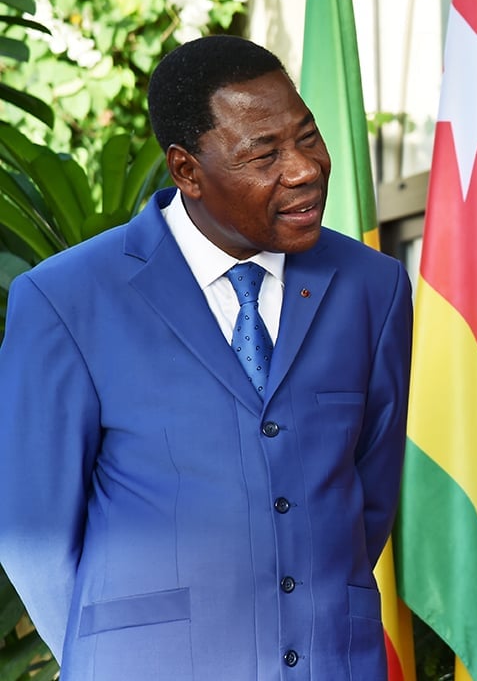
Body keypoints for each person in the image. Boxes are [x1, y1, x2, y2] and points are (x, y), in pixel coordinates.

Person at [0, 35, 412, 680]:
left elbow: (368, 499)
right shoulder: (64, 299)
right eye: (265, 154)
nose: (304, 168)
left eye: (307, 137)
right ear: (187, 170)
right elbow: (35, 539)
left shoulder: (375, 286)